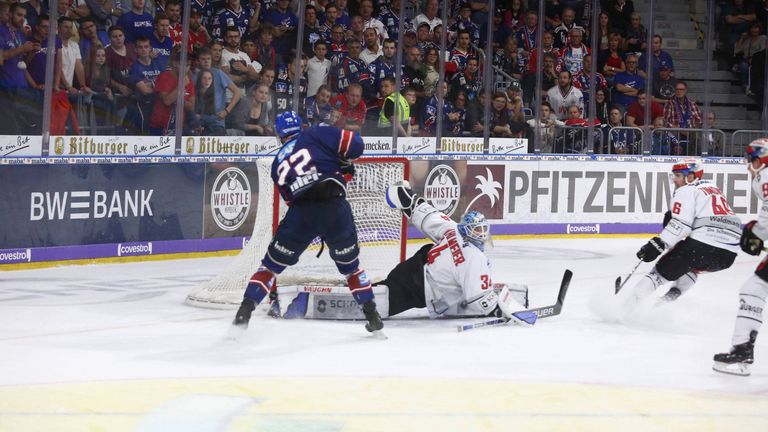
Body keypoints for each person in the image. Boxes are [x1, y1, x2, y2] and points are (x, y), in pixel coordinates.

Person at [232, 111, 385, 335]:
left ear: (279, 135)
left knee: (269, 268)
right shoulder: (315, 134)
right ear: (301, 127)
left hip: (301, 215)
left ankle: (243, 313)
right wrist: (345, 160)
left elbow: (290, 198)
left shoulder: (277, 165)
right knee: (352, 270)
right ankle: (373, 317)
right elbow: (356, 144)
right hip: (334, 209)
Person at [376, 182, 529, 322]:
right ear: (467, 230)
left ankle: (368, 287)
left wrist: (406, 198)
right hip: (418, 287)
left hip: (418, 265)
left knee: (390, 286)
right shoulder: (474, 257)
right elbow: (478, 299)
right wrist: (497, 311)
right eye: (476, 229)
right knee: (379, 303)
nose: (481, 234)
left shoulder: (454, 228)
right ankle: (360, 294)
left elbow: (427, 215)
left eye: (483, 229)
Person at [616, 159, 740, 316]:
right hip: (727, 256)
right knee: (692, 266)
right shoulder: (713, 189)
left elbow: (680, 224)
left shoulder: (686, 190)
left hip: (702, 245)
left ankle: (624, 310)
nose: (674, 179)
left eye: (678, 175)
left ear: (691, 176)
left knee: (659, 274)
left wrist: (658, 244)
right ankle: (663, 303)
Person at [713, 138, 768, 376]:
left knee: (754, 288)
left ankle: (742, 350)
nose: (748, 165)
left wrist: (755, 232)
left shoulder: (765, 176)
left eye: (750, 160)